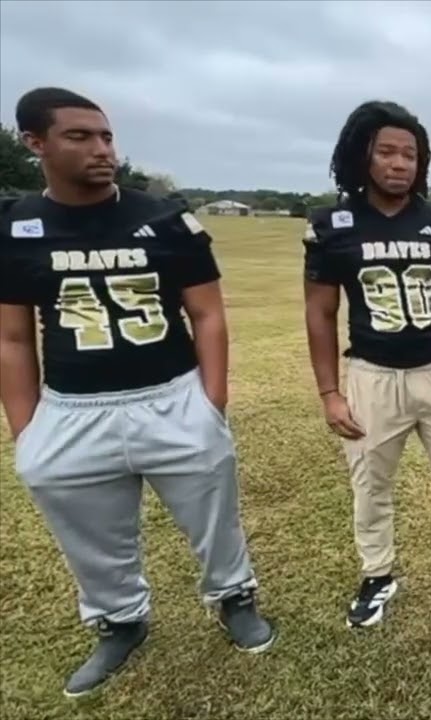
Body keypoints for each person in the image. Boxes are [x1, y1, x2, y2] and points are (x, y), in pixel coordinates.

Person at [0, 87, 276, 698]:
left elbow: (207, 315)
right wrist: (29, 430)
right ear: (34, 142)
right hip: (71, 405)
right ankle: (120, 620)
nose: (102, 150)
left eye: (106, 136)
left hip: (171, 392)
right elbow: (13, 338)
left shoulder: (163, 218)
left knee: (213, 516)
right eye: (80, 137)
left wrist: (211, 403)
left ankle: (233, 596)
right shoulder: (16, 226)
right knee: (92, 535)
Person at [303, 100, 431, 628]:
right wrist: (330, 392)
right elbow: (321, 312)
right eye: (387, 152)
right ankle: (377, 572)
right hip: (371, 373)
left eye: (410, 154)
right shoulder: (334, 224)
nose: (399, 164)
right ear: (362, 155)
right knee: (370, 482)